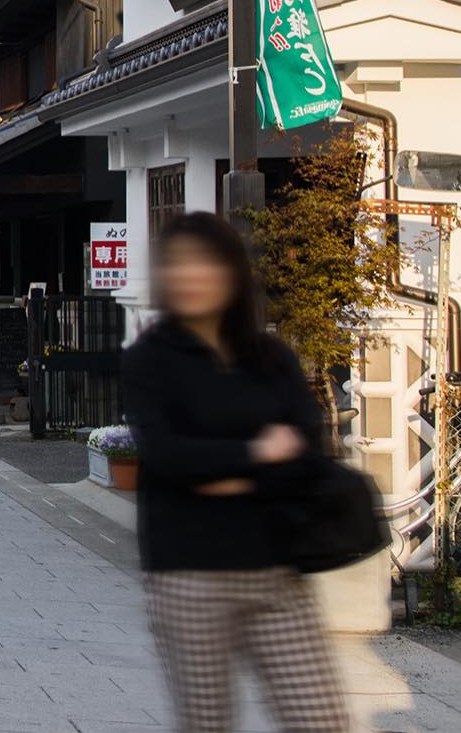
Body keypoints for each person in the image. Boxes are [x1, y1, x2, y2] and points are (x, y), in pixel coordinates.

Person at [121, 212, 346, 733]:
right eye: (177, 265)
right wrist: (260, 453)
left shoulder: (272, 357)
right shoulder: (148, 360)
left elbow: (310, 454)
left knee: (321, 719)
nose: (191, 276)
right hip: (188, 577)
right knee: (208, 724)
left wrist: (221, 471)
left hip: (278, 573)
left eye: (206, 263)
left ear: (232, 272)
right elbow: (170, 459)